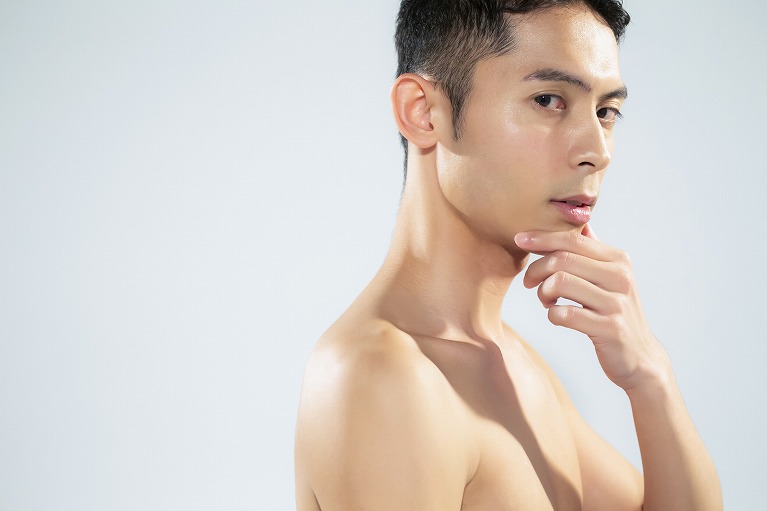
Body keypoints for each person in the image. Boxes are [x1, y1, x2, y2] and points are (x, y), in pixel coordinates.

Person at [294, 0, 722, 509]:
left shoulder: (513, 363)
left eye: (606, 111)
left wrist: (650, 375)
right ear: (422, 112)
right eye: (548, 100)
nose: (598, 150)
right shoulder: (382, 376)